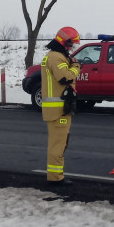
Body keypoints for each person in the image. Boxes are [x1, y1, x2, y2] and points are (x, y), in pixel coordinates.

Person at [40, 26, 82, 184]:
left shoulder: (55, 56)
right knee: (58, 145)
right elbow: (65, 78)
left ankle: (56, 176)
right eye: (70, 44)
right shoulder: (56, 57)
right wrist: (76, 67)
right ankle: (55, 178)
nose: (71, 48)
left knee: (59, 144)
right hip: (58, 110)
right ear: (64, 42)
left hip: (58, 109)